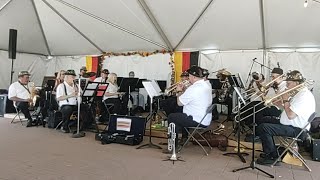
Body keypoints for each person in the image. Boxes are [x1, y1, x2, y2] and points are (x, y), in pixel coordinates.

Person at [256, 70, 315, 165]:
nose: (286, 86)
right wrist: (279, 104)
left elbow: (291, 115)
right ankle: (270, 150)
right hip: (291, 124)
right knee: (263, 120)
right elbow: (290, 109)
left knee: (264, 127)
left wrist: (285, 99)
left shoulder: (304, 96)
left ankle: (272, 156)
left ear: (296, 83)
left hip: (297, 129)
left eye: (288, 83)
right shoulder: (299, 93)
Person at [164, 66, 212, 152]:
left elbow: (179, 103)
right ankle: (181, 137)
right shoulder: (206, 85)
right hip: (205, 118)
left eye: (189, 76)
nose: (188, 78)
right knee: (177, 114)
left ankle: (173, 147)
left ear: (193, 77)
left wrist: (179, 91)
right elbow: (192, 97)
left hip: (196, 119)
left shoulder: (194, 88)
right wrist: (185, 89)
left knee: (172, 117)